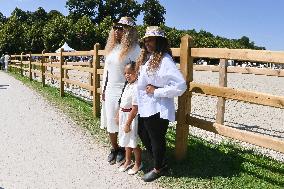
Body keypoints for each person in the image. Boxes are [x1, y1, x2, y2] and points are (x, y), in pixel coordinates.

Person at [136, 26, 187, 182]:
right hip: (146, 104)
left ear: (160, 41)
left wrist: (157, 91)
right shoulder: (150, 57)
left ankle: (159, 168)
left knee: (156, 138)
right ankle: (160, 160)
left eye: (150, 39)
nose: (147, 42)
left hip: (158, 106)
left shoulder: (165, 60)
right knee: (142, 132)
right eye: (146, 39)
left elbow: (181, 85)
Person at [101, 17, 141, 165]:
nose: (117, 30)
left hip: (125, 90)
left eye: (121, 28)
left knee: (124, 121)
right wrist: (103, 89)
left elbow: (137, 72)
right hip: (110, 88)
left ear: (128, 31)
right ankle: (115, 148)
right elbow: (106, 70)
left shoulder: (135, 49)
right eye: (115, 27)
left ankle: (125, 150)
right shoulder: (112, 47)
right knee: (111, 121)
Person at [117, 61, 142, 175]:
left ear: (136, 72)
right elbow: (122, 103)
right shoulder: (128, 85)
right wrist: (118, 115)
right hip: (123, 115)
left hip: (130, 118)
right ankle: (127, 161)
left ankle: (138, 163)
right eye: (125, 73)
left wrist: (127, 123)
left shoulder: (136, 87)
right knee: (126, 141)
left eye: (130, 73)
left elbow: (135, 108)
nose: (127, 75)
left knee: (133, 142)